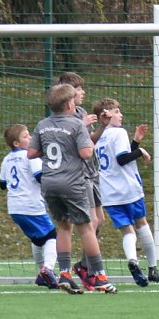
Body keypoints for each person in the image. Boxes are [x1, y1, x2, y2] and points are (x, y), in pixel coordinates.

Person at [29, 83, 117, 294]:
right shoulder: (77, 125)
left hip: (50, 182)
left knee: (63, 226)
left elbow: (31, 153)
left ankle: (65, 273)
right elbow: (87, 153)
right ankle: (100, 276)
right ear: (70, 104)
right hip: (72, 182)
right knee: (86, 227)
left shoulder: (43, 125)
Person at [92, 97, 159, 286]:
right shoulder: (118, 132)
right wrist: (141, 151)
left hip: (109, 193)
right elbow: (122, 159)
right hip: (128, 188)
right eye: (117, 111)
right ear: (106, 114)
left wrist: (136, 142)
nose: (121, 115)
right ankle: (153, 267)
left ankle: (132, 259)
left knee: (127, 230)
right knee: (141, 223)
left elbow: (118, 157)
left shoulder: (100, 138)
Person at [54, 72, 109, 290]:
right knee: (85, 223)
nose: (82, 92)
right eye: (78, 89)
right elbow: (69, 142)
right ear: (67, 93)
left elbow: (88, 142)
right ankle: (84, 270)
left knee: (100, 221)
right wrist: (81, 124)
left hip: (91, 171)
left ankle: (84, 266)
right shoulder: (63, 116)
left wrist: (102, 127)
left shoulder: (82, 113)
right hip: (77, 175)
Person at [0, 124, 59, 289]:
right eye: (26, 136)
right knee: (52, 236)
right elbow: (41, 177)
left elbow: (2, 184)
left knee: (38, 239)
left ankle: (43, 275)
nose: (31, 138)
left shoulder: (6, 159)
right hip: (31, 205)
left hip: (14, 208)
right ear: (16, 143)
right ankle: (47, 269)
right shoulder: (29, 156)